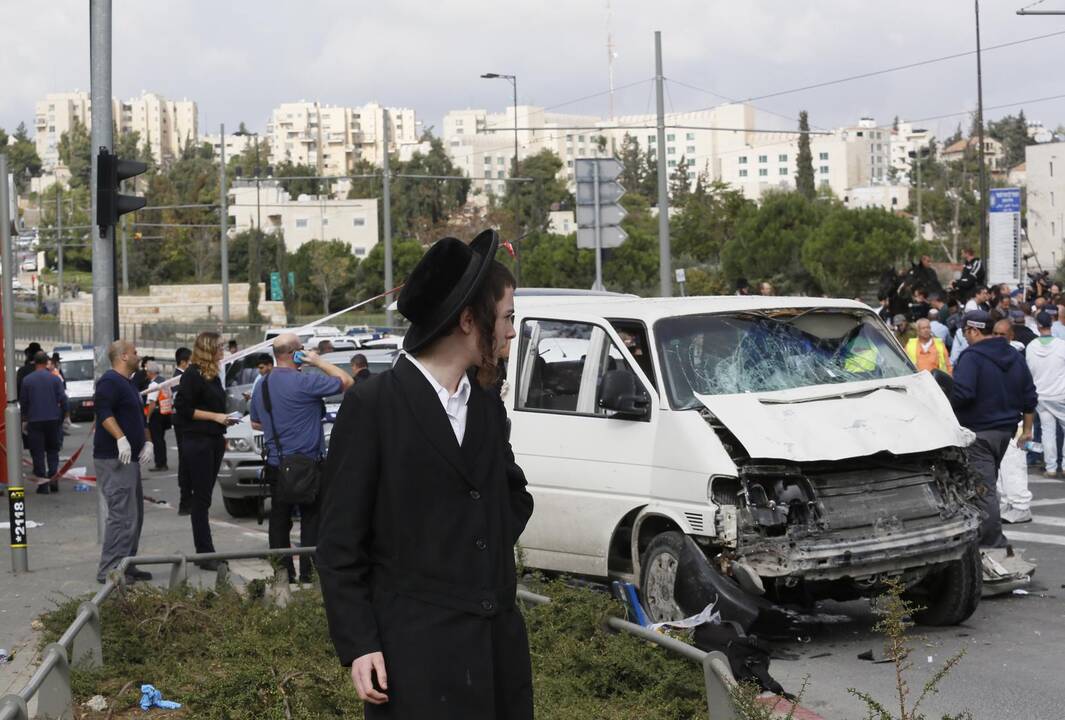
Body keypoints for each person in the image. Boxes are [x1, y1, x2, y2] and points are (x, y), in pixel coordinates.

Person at [317, 230, 534, 719]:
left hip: (497, 653)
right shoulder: (372, 406)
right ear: (467, 321)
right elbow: (338, 545)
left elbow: (511, 498)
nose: (512, 332)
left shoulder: (484, 405)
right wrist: (359, 643)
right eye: (507, 319)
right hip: (413, 657)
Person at [250, 334, 353, 583]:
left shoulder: (261, 385)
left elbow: (255, 423)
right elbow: (347, 381)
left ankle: (283, 572)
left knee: (279, 521)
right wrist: (317, 361)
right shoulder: (306, 381)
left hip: (277, 463)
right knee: (312, 520)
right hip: (309, 464)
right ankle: (310, 574)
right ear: (296, 353)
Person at [951, 310, 1037, 548]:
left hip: (978, 433)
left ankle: (992, 543)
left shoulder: (971, 357)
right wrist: (1027, 429)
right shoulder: (1014, 354)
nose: (965, 337)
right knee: (988, 485)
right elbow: (1029, 395)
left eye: (965, 332)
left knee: (983, 489)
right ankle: (985, 536)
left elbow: (963, 393)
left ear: (973, 330)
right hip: (1005, 432)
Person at [175, 332, 236, 570]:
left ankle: (206, 550)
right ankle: (204, 553)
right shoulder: (192, 375)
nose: (223, 349)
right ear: (209, 349)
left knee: (206, 497)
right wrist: (216, 417)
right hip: (198, 441)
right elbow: (184, 408)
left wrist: (225, 423)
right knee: (200, 499)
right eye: (219, 346)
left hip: (213, 439)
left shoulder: (213, 375)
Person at [94, 340, 154, 583]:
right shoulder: (110, 381)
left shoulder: (128, 384)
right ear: (124, 356)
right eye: (135, 353)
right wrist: (121, 438)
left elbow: (140, 418)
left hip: (130, 460)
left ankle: (127, 563)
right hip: (114, 459)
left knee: (135, 515)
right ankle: (110, 570)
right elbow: (103, 411)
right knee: (121, 516)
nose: (138, 356)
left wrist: (148, 441)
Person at [19, 351, 67, 493]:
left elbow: (24, 402)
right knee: (53, 450)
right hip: (53, 419)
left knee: (38, 453)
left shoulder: (27, 380)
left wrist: (24, 418)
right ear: (47, 362)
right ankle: (53, 479)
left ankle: (42, 484)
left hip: (35, 421)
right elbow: (63, 400)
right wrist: (62, 417)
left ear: (34, 362)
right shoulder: (55, 379)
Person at [1025, 312, 1065, 478]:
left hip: (1040, 395)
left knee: (1047, 431)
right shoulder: (1061, 345)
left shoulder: (1031, 347)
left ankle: (1050, 467)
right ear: (1051, 324)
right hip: (1061, 394)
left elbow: (1029, 370)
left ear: (1038, 325)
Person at [172, 347, 192, 515]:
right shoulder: (178, 379)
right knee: (186, 462)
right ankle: (185, 501)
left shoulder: (182, 377)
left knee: (187, 461)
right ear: (184, 363)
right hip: (183, 425)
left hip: (183, 424)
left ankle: (187, 499)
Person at [145, 362, 172, 471]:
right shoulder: (164, 381)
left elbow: (152, 403)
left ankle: (160, 464)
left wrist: (147, 417)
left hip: (156, 415)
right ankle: (163, 462)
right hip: (165, 413)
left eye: (147, 371)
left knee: (157, 440)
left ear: (151, 372)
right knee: (161, 439)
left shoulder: (153, 384)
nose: (146, 373)